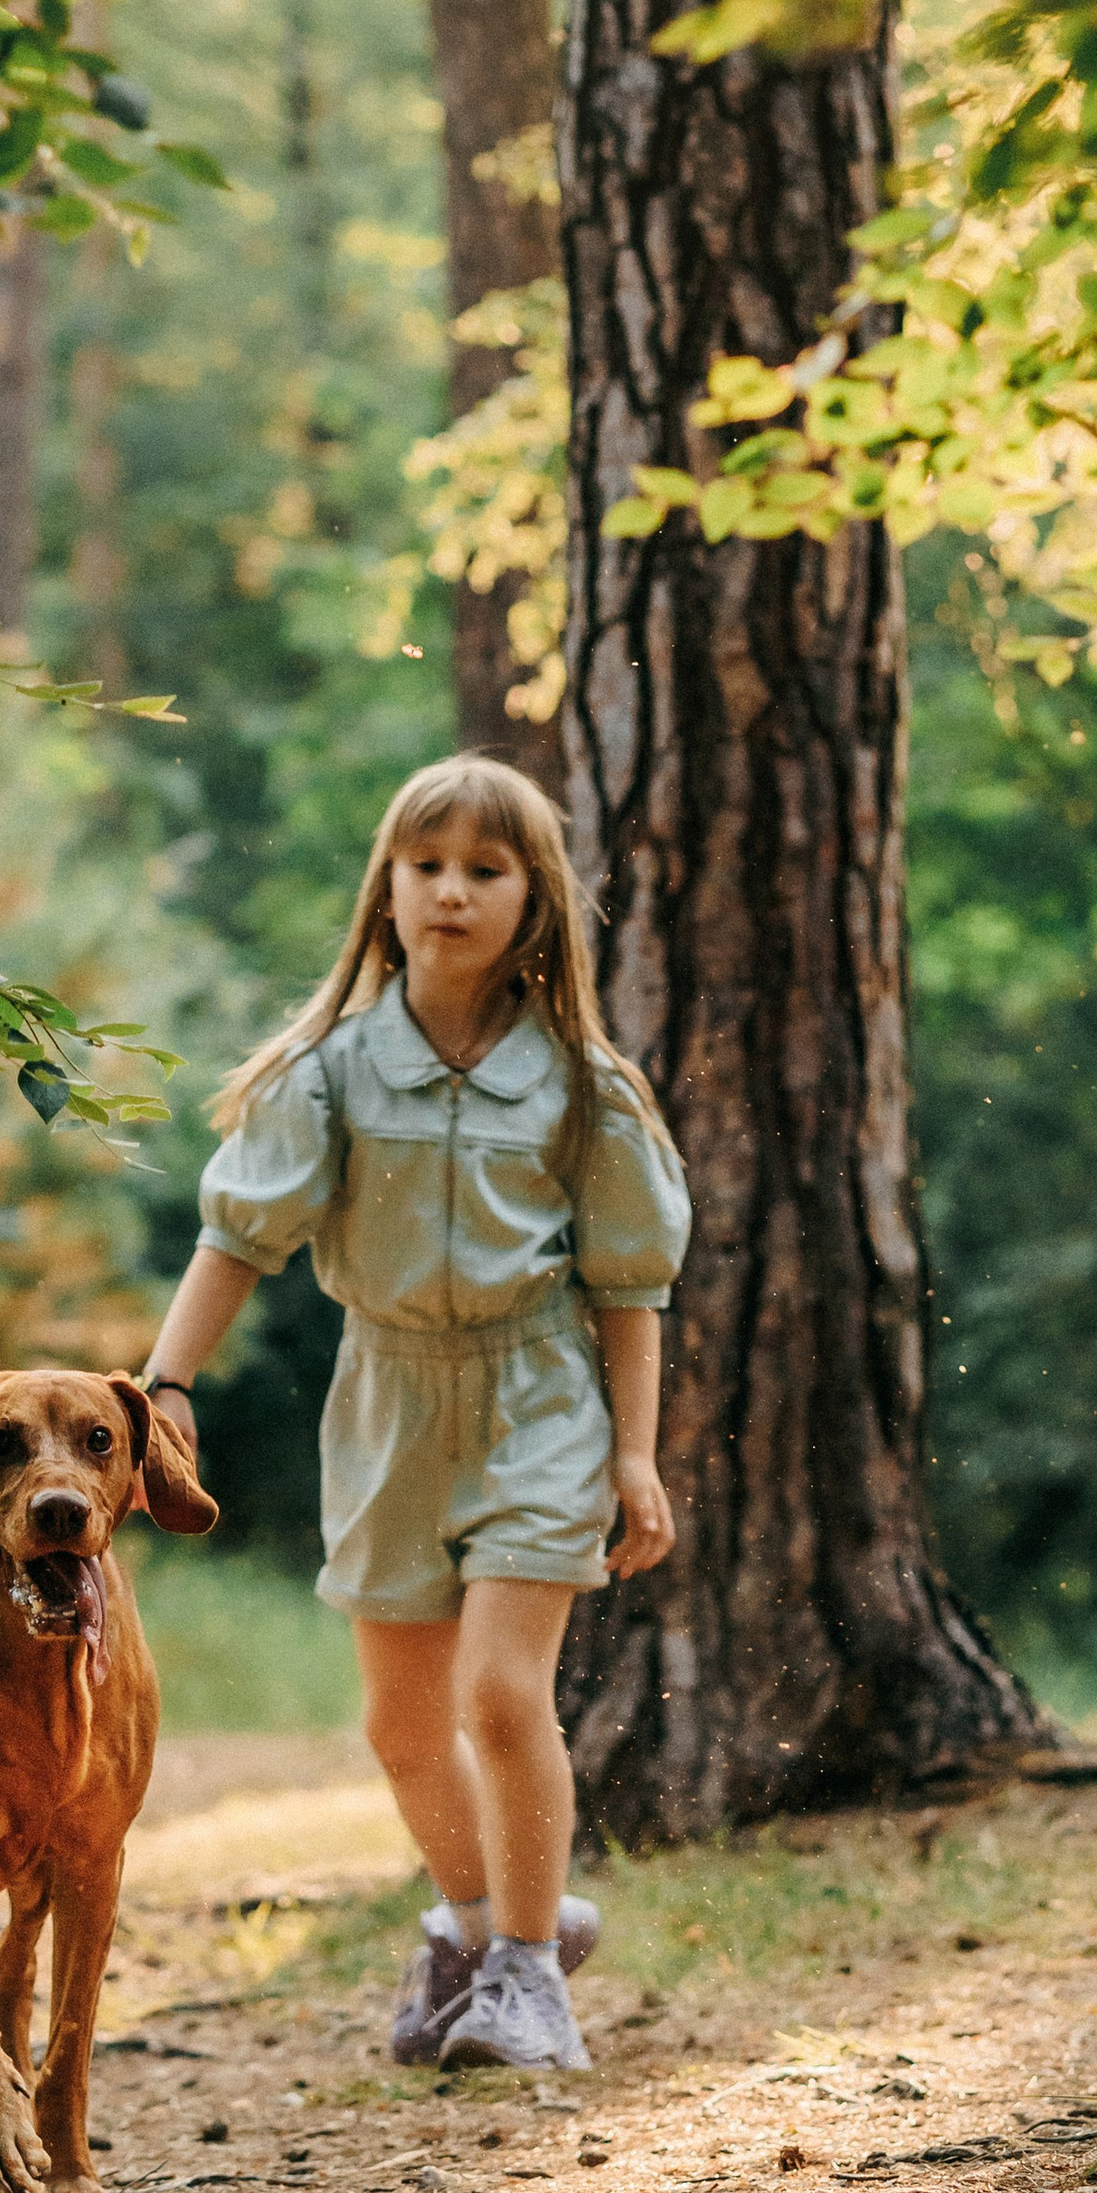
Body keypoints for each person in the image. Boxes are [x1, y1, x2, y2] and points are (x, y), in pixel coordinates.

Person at [137, 756, 690, 2074]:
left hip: (538, 1396)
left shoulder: (582, 1088)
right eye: (426, 865)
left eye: (485, 871)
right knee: (399, 1726)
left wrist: (632, 1453)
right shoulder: (329, 1075)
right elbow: (238, 1240)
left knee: (500, 1693)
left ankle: (530, 1976)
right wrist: (164, 1384)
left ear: (533, 900)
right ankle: (476, 1928)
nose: (452, 892)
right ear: (385, 889)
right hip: (384, 1399)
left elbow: (631, 1285)